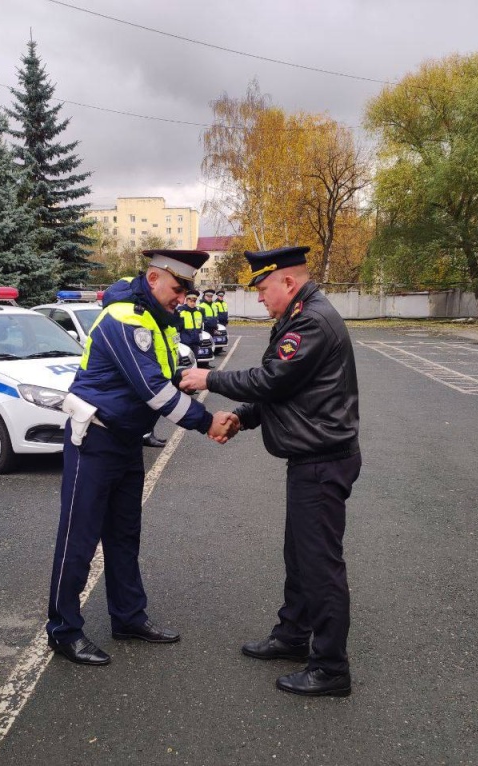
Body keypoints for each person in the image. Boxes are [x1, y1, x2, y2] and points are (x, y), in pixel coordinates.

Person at [180, 246, 362, 697]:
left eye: (263, 288)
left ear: (288, 282)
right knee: (299, 557)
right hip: (312, 459)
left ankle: (331, 668)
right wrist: (242, 418)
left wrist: (210, 378)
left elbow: (272, 380)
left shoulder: (311, 322)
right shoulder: (297, 317)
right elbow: (283, 391)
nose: (259, 297)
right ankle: (293, 636)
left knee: (319, 566)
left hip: (322, 461)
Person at [47, 250, 239, 666]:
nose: (182, 298)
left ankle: (128, 617)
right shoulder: (124, 319)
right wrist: (207, 421)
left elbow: (165, 377)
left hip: (125, 441)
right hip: (94, 441)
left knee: (124, 536)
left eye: (186, 291)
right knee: (78, 539)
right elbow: (153, 389)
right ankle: (63, 630)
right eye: (177, 288)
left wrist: (200, 381)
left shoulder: (155, 319)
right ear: (153, 279)